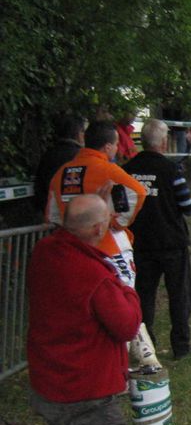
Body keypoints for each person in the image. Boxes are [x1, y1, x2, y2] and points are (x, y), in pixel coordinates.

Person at [0, 195, 141, 425]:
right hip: (85, 390)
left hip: (50, 379)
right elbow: (127, 325)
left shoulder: (44, 251)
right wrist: (127, 288)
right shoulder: (91, 273)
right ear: (96, 229)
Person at [46, 120, 159, 369]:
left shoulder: (62, 172)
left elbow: (53, 214)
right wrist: (118, 220)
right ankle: (140, 359)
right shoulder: (107, 169)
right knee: (122, 305)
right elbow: (138, 191)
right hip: (108, 249)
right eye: (117, 144)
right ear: (108, 146)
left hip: (71, 250)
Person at [123, 119, 191, 360]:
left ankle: (146, 344)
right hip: (172, 241)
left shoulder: (128, 169)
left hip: (140, 242)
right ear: (164, 142)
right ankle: (181, 345)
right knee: (179, 294)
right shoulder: (171, 170)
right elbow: (187, 206)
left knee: (144, 295)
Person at [32, 114, 86, 213]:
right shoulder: (81, 156)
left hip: (46, 208)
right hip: (73, 213)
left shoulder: (49, 154)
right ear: (79, 134)